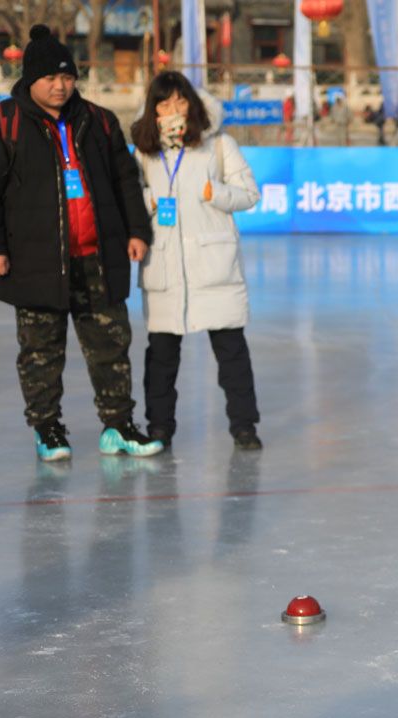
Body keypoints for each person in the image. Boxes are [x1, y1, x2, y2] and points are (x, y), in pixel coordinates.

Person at [0, 25, 163, 461]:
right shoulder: (1, 123)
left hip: (96, 256)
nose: (61, 86)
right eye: (50, 78)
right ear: (30, 80)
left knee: (110, 346)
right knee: (41, 351)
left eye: (67, 77)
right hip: (35, 258)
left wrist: (137, 231)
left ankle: (118, 425)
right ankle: (47, 428)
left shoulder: (99, 120)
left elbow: (125, 180)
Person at [129, 71, 263, 450]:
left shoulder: (218, 145)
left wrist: (214, 192)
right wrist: (149, 203)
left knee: (231, 351)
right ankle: (159, 427)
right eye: (164, 103)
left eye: (180, 101)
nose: (174, 110)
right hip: (165, 265)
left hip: (213, 264)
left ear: (193, 103)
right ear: (153, 111)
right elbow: (128, 201)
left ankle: (244, 425)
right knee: (161, 356)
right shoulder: (144, 151)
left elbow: (249, 194)